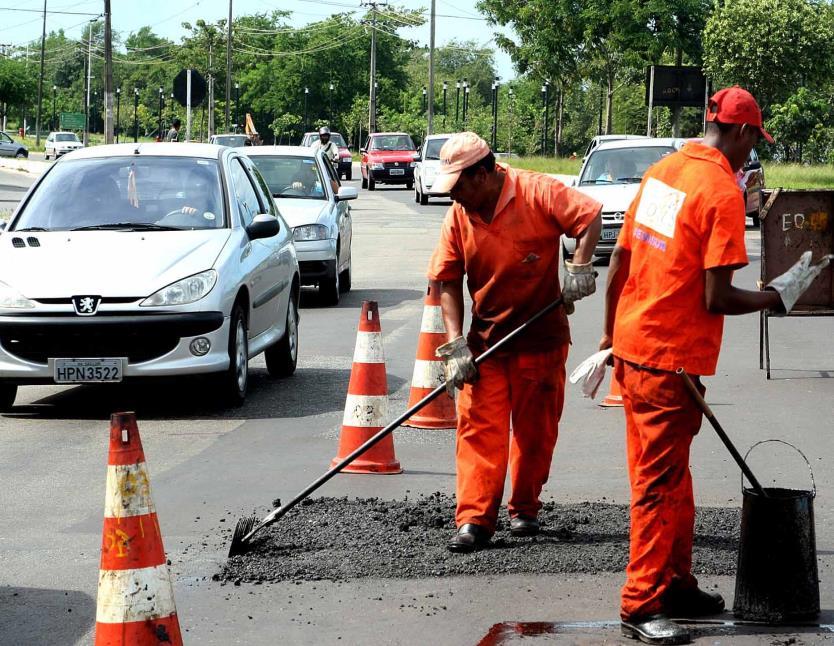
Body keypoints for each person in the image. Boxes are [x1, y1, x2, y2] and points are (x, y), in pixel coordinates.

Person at [600, 86, 830, 645]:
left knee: (672, 477)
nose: (753, 151)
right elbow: (716, 296)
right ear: (745, 133)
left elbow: (619, 264)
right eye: (755, 139)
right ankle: (640, 603)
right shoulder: (720, 191)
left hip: (636, 349)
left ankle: (676, 583)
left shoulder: (663, 172)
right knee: (658, 485)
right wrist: (777, 296)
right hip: (669, 359)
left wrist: (611, 339)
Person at [427, 132, 603, 553]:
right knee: (478, 432)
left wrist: (579, 267)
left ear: (484, 174)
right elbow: (446, 278)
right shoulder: (459, 216)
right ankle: (474, 519)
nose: (455, 197)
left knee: (535, 433)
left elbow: (590, 215)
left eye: (459, 186)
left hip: (540, 339)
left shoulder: (536, 192)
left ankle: (524, 508)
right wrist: (455, 346)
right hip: (485, 343)